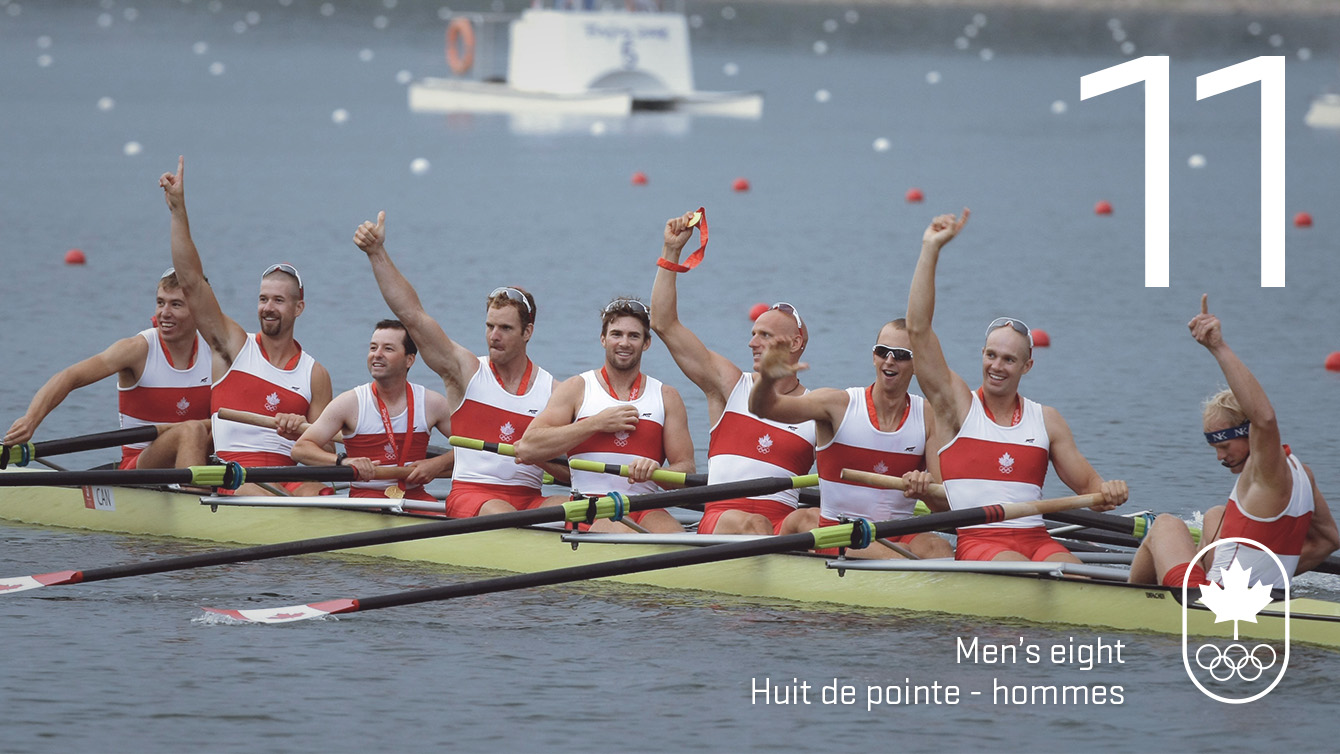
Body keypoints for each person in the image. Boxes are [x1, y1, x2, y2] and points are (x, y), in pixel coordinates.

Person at [905, 209, 1127, 563]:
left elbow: (1090, 489)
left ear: (1027, 366)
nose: (997, 366)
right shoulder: (957, 406)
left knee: (1074, 573)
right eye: (991, 355)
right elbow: (917, 330)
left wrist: (1109, 491)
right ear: (981, 354)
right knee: (1019, 568)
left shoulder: (1047, 420)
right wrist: (930, 248)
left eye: (1009, 360)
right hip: (981, 542)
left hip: (1039, 541)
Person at [352, 211, 566, 518]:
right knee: (503, 512)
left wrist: (540, 456)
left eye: (505, 329)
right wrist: (377, 253)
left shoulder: (554, 391)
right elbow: (413, 315)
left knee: (577, 510)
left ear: (527, 332)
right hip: (473, 496)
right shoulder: (465, 371)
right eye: (490, 326)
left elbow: (572, 474)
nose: (494, 336)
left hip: (530, 500)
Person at [1128, 295, 1339, 589]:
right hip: (1255, 598)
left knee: (1165, 525)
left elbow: (1264, 419)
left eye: (1225, 446)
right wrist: (1268, 580)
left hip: (1211, 603)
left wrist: (1218, 347)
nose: (1220, 457)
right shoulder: (1304, 473)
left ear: (1248, 433)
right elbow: (1329, 540)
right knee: (1216, 516)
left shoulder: (1265, 469)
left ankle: (1133, 599)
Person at [159, 156, 333, 496]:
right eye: (263, 299)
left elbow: (323, 457)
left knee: (315, 490)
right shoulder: (234, 345)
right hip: (233, 473)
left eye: (278, 301)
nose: (268, 308)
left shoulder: (316, 375)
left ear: (299, 307)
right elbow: (192, 282)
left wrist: (302, 431)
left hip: (288, 477)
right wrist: (178, 211)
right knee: (262, 495)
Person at [650, 210, 816, 535]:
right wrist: (672, 252)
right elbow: (663, 324)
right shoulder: (728, 384)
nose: (751, 342)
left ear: (796, 342)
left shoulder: (816, 409)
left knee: (812, 518)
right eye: (753, 333)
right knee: (755, 524)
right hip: (722, 517)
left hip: (779, 525)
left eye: (764, 335)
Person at [749, 319, 954, 558]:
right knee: (899, 555)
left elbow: (944, 506)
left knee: (939, 547)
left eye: (900, 354)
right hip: (838, 532)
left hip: (900, 532)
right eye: (882, 351)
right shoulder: (837, 405)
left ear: (918, 363)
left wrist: (925, 491)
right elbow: (763, 409)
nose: (889, 360)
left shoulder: (929, 416)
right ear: (873, 357)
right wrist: (767, 380)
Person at [515, 296, 694, 533]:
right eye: (616, 334)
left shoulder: (667, 396)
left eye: (634, 336)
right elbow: (527, 448)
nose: (624, 343)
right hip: (590, 506)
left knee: (678, 542)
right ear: (603, 339)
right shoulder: (577, 388)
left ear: (647, 343)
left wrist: (657, 472)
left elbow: (687, 470)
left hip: (647, 506)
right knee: (628, 537)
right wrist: (596, 423)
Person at [3, 269, 212, 469]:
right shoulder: (137, 350)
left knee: (221, 429)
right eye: (160, 303)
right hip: (142, 464)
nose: (164, 313)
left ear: (198, 308)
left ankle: (218, 489)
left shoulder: (216, 351)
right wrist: (30, 420)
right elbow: (70, 377)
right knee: (192, 430)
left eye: (176, 305)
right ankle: (195, 496)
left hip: (201, 454)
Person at [291, 320, 455, 503]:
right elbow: (300, 449)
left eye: (388, 349)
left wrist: (438, 464)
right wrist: (343, 461)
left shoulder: (431, 403)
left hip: (415, 498)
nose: (377, 355)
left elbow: (473, 445)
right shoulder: (349, 403)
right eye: (373, 348)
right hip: (366, 501)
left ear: (409, 359)